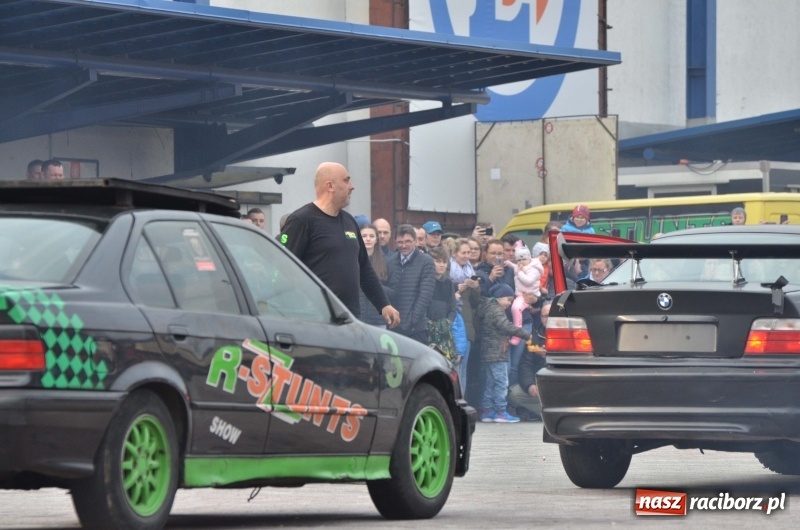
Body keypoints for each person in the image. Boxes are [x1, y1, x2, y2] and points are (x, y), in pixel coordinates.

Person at [280, 162, 399, 328]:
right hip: (316, 321)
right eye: (347, 180)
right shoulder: (302, 220)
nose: (352, 186)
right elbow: (282, 269)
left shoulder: (350, 222)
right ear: (330, 186)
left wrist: (383, 304)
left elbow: (364, 268)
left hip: (350, 319)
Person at [477, 283, 532, 423]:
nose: (509, 303)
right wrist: (526, 335)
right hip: (497, 351)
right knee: (502, 382)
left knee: (490, 382)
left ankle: (487, 411)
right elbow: (505, 326)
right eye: (508, 299)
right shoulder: (496, 311)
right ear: (499, 297)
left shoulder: (488, 308)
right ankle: (501, 412)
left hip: (488, 352)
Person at [386, 224, 435, 343]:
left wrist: (412, 320)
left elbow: (425, 295)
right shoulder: (390, 261)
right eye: (400, 242)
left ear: (415, 241)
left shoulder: (426, 261)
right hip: (394, 325)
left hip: (416, 328)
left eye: (408, 241)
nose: (403, 245)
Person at [506, 244, 543, 385]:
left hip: (524, 320)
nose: (521, 262)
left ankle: (512, 402)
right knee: (507, 365)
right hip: (503, 323)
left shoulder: (530, 268)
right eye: (507, 251)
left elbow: (533, 289)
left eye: (512, 251)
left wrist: (536, 300)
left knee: (515, 364)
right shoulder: (510, 268)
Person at [449, 238, 481, 399]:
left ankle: (460, 400)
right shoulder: (446, 271)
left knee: (463, 368)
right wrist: (455, 288)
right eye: (463, 252)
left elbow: (475, 303)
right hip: (451, 323)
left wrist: (475, 289)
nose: (467, 256)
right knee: (453, 367)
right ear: (454, 254)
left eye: (469, 252)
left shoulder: (471, 271)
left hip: (467, 326)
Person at [508, 302, 551, 421]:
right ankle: (546, 414)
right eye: (544, 316)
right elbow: (525, 364)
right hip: (540, 383)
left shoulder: (569, 334)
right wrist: (529, 384)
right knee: (515, 393)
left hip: (560, 383)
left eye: (550, 315)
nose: (547, 319)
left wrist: (550, 356)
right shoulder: (535, 337)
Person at [358, 224, 394, 327]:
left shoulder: (387, 262)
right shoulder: (352, 261)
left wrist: (373, 286)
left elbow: (394, 291)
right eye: (364, 236)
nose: (368, 239)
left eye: (371, 236)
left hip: (378, 319)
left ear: (376, 239)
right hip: (357, 317)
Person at [426, 247, 457, 361]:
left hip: (444, 331)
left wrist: (447, 323)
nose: (441, 265)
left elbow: (452, 307)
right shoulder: (425, 281)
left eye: (444, 262)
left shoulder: (448, 283)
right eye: (438, 261)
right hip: (426, 330)